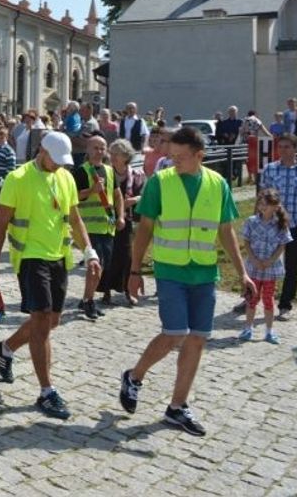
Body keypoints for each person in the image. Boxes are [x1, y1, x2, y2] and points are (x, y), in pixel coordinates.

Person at [118, 127, 256, 437]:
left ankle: (177, 407)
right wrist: (135, 271)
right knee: (174, 333)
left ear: (199, 156)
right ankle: (135, 376)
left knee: (198, 338)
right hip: (170, 271)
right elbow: (144, 230)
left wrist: (242, 272)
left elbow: (226, 231)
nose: (173, 161)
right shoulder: (160, 182)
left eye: (180, 157)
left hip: (204, 273)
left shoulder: (217, 184)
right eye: (171, 155)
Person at [0, 132, 99, 420]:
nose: (59, 166)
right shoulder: (17, 178)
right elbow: (0, 226)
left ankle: (5, 349)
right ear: (41, 151)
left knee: (50, 321)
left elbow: (74, 218)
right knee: (42, 319)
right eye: (55, 160)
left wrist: (90, 252)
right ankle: (47, 391)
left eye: (63, 162)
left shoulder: (66, 178)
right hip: (31, 259)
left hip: (59, 257)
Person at [254, 133, 297, 321]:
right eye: (280, 146)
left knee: (292, 266)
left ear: (295, 148)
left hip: (296, 226)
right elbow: (261, 196)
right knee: (260, 263)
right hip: (270, 225)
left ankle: (285, 304)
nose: (283, 150)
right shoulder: (270, 169)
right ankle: (251, 298)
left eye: (287, 146)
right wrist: (257, 220)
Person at [72, 136, 124, 321]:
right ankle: (88, 301)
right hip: (89, 227)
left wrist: (121, 216)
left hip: (107, 226)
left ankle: (88, 297)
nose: (99, 151)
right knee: (95, 265)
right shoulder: (81, 171)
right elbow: (73, 197)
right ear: (88, 149)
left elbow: (117, 196)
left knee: (103, 266)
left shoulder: (109, 171)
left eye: (102, 148)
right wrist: (91, 191)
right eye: (95, 148)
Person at [239, 189, 290, 344]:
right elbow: (246, 242)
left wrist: (271, 260)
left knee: (269, 299)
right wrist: (253, 259)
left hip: (270, 269)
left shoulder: (280, 224)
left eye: (266, 204)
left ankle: (269, 331)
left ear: (275, 206)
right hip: (253, 269)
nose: (262, 207)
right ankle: (248, 328)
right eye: (260, 204)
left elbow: (283, 245)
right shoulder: (251, 221)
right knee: (251, 299)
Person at [105, 139, 146, 306]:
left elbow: (144, 194)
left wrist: (134, 200)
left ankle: (129, 290)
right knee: (108, 255)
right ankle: (105, 290)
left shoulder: (136, 175)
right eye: (111, 153)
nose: (113, 157)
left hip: (127, 219)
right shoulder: (106, 173)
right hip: (107, 219)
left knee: (127, 255)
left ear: (126, 156)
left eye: (117, 154)